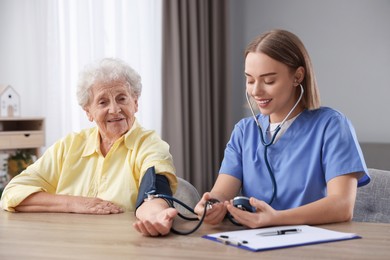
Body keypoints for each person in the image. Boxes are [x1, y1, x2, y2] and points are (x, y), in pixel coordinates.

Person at [194, 29, 370, 228]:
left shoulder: (332, 126)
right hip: (255, 245)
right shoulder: (244, 131)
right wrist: (211, 206)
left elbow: (342, 206)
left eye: (269, 81)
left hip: (316, 245)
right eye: (250, 80)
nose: (255, 91)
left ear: (297, 77)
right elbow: (222, 193)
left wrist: (275, 218)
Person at [1, 58, 178, 236]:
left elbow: (155, 193)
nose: (115, 109)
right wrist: (75, 203)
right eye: (103, 102)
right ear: (88, 112)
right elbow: (13, 193)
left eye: (121, 98)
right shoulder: (69, 146)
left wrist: (155, 216)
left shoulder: (149, 145)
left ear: (135, 103)